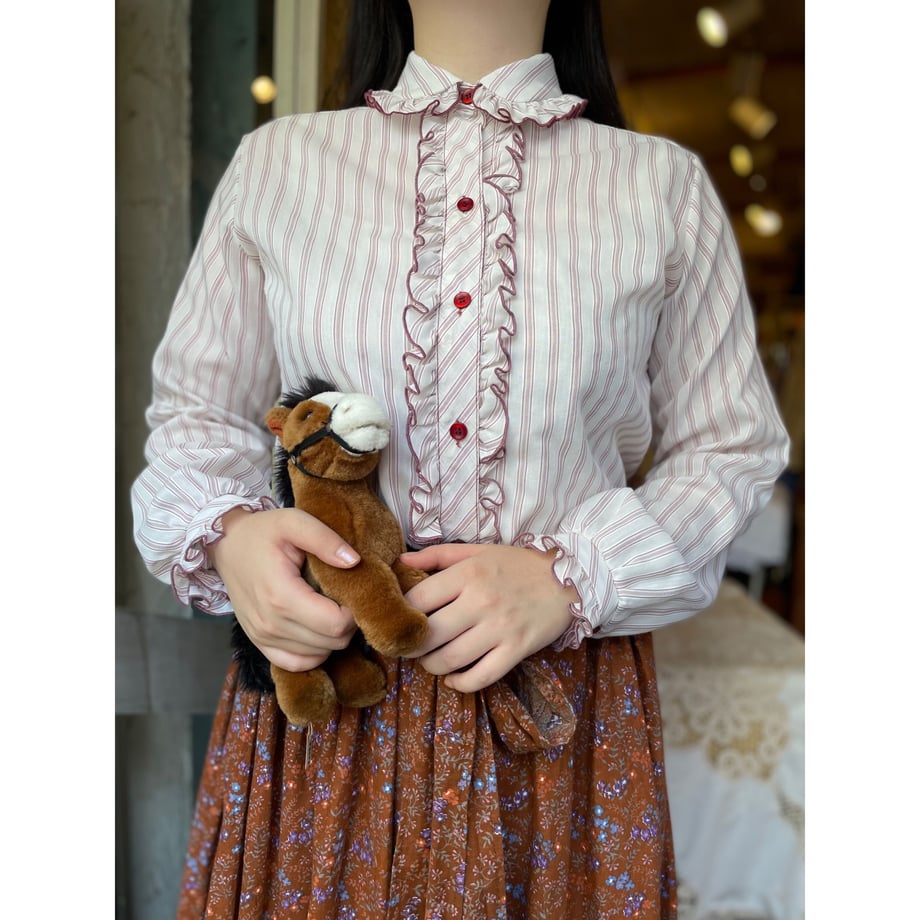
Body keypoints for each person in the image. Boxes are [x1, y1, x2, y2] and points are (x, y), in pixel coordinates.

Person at [131, 0, 790, 916]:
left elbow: (730, 446)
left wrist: (569, 575)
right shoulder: (280, 166)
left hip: (554, 708)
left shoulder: (659, 188)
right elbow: (198, 414)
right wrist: (235, 539)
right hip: (330, 702)